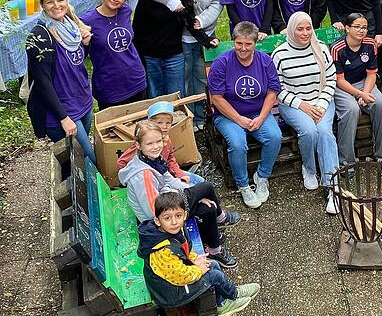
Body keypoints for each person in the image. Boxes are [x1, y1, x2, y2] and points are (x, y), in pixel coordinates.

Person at [119, 121, 241, 267]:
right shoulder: (143, 175)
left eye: (158, 141)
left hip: (168, 201)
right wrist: (187, 200)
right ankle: (220, 220)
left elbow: (169, 179)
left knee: (209, 207)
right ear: (138, 145)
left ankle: (214, 250)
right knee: (206, 187)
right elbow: (153, 211)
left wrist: (193, 195)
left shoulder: (152, 159)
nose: (156, 146)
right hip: (159, 219)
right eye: (150, 143)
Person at [138, 0, 222, 130]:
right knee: (183, 79)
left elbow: (217, 2)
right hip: (180, 38)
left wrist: (201, 20)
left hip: (205, 35)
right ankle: (187, 118)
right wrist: (171, 1)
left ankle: (201, 117)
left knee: (202, 76)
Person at [137, 192, 259, 314]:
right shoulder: (162, 251)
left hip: (173, 278)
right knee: (214, 276)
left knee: (213, 264)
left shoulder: (173, 230)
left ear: (184, 215)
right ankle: (233, 295)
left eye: (178, 215)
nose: (174, 222)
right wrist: (199, 270)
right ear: (158, 221)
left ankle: (222, 301)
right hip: (170, 293)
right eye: (167, 218)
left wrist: (194, 259)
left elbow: (183, 250)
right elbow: (180, 276)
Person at [209, 22, 283, 209]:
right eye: (239, 43)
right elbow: (216, 98)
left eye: (248, 44)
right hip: (228, 114)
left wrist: (261, 117)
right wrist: (239, 119)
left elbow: (272, 92)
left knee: (275, 137)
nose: (243, 48)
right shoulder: (222, 63)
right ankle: (243, 184)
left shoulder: (265, 61)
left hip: (258, 111)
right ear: (234, 41)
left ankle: (262, 176)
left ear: (255, 43)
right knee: (237, 143)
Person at [271, 12, 340, 214]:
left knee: (325, 133)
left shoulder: (322, 49)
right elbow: (278, 89)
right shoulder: (280, 54)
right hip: (294, 105)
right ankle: (309, 168)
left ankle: (332, 187)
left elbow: (331, 80)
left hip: (322, 102)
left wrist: (319, 104)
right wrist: (302, 105)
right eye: (300, 29)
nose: (305, 33)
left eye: (308, 28)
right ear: (292, 30)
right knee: (309, 131)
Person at [25, 0, 96, 164]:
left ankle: (74, 189)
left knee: (75, 159)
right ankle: (80, 191)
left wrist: (86, 45)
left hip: (82, 100)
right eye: (50, 2)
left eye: (60, 0)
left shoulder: (71, 26)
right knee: (87, 158)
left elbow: (76, 60)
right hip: (62, 110)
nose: (56, 6)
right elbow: (42, 83)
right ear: (42, 5)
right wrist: (63, 118)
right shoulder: (40, 37)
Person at [133, 0, 218, 99]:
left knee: (177, 95)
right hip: (151, 56)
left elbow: (189, 22)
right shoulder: (146, 0)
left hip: (174, 55)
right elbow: (137, 29)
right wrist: (139, 58)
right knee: (155, 95)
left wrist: (207, 40)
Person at [330, 13, 382, 167]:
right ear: (347, 28)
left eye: (364, 27)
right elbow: (339, 80)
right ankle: (346, 161)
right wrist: (359, 94)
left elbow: (372, 74)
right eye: (357, 27)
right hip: (342, 87)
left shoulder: (370, 44)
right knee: (351, 110)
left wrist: (365, 93)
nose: (361, 30)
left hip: (364, 83)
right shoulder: (337, 48)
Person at [80, 0, 147, 110]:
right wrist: (85, 43)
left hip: (136, 80)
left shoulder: (125, 11)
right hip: (109, 87)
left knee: (139, 127)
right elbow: (81, 53)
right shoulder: (87, 21)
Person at [117, 101, 205, 186]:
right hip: (152, 179)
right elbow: (121, 162)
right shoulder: (142, 145)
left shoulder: (167, 140)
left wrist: (179, 174)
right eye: (159, 123)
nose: (164, 127)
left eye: (168, 123)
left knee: (200, 181)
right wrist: (132, 180)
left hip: (165, 173)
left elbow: (170, 158)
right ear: (151, 124)